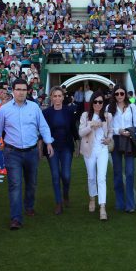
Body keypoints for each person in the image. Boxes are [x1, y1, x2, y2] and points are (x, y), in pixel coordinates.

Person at [0, 79, 54, 230]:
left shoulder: (34, 107)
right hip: (12, 152)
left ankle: (29, 206)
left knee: (31, 183)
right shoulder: (5, 109)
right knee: (15, 185)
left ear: (28, 91)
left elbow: (43, 126)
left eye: (23, 89)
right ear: (13, 91)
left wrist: (48, 142)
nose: (21, 92)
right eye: (18, 89)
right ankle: (16, 218)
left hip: (32, 152)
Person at [42, 86, 79, 215]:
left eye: (59, 96)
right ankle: (58, 202)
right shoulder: (46, 113)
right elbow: (43, 131)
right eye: (55, 96)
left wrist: (77, 144)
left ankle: (65, 195)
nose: (57, 98)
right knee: (55, 175)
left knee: (66, 175)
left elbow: (74, 129)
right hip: (52, 148)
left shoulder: (70, 111)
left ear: (63, 97)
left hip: (66, 147)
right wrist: (42, 147)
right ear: (51, 98)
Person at [79, 91, 113, 221]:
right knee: (91, 177)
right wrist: (91, 125)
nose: (98, 104)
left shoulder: (107, 115)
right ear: (91, 102)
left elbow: (111, 130)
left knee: (101, 178)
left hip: (102, 149)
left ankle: (102, 206)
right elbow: (81, 133)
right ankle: (92, 198)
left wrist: (109, 139)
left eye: (100, 102)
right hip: (89, 149)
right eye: (95, 101)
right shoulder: (85, 115)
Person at [108, 85, 136, 212]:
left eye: (122, 93)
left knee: (130, 172)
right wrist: (118, 130)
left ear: (125, 94)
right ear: (114, 95)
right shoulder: (109, 108)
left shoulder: (133, 107)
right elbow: (108, 127)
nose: (119, 96)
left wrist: (129, 132)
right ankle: (120, 202)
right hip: (115, 139)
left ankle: (130, 204)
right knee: (117, 173)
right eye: (117, 94)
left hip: (129, 139)